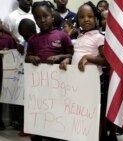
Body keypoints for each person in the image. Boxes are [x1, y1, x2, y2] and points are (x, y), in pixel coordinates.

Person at [59, 2, 117, 141]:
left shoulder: (99, 37)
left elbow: (107, 61)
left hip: (95, 82)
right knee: (83, 111)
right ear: (77, 20)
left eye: (90, 16)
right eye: (82, 17)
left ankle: (100, 137)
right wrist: (68, 60)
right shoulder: (79, 37)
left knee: (97, 113)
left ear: (96, 18)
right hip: (79, 82)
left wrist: (88, 57)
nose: (86, 19)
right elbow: (77, 55)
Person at [25, 1, 73, 140]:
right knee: (41, 108)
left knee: (57, 108)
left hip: (60, 83)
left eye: (45, 16)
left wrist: (60, 57)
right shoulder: (33, 40)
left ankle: (57, 134)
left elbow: (71, 55)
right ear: (35, 20)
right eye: (38, 18)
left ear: (52, 16)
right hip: (40, 85)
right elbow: (27, 59)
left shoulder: (62, 36)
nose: (42, 20)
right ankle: (39, 131)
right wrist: (31, 58)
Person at [18, 18, 37, 137]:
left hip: (38, 77)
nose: (25, 39)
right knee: (27, 103)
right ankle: (27, 126)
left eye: (26, 36)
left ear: (34, 30)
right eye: (23, 37)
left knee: (35, 103)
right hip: (27, 76)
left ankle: (33, 128)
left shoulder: (37, 40)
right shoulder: (25, 41)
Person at [0, 19, 17, 131]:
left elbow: (14, 54)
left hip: (4, 74)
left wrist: (7, 53)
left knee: (1, 96)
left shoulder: (8, 38)